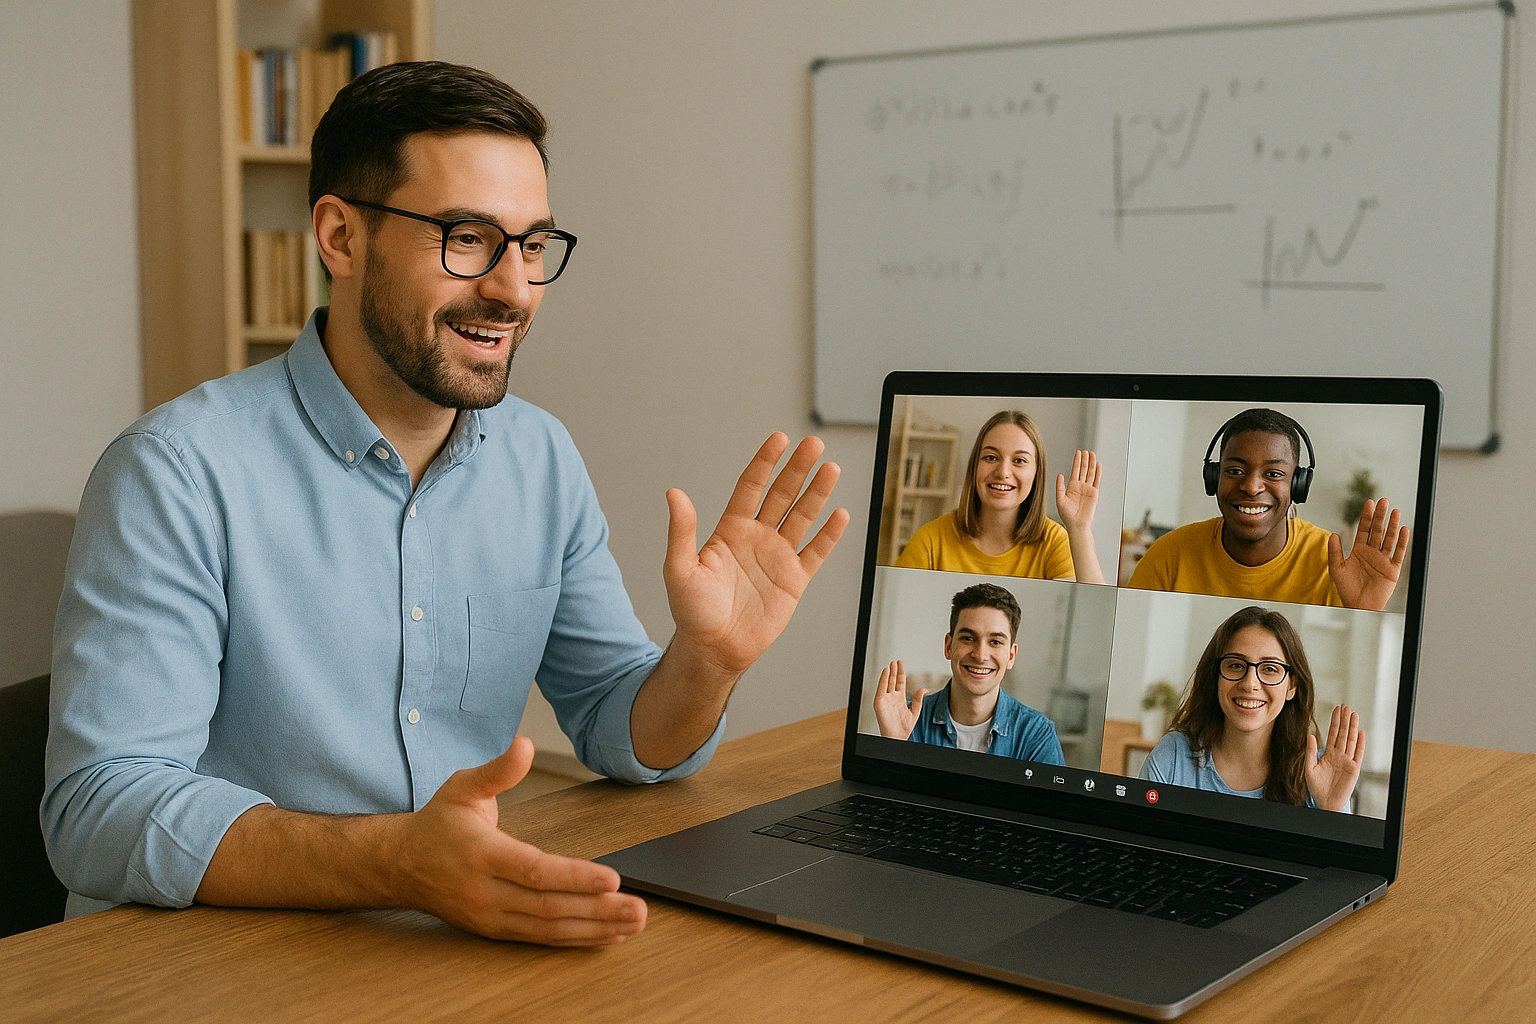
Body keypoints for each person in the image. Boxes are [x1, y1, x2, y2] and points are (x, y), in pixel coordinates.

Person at [42, 62, 849, 948]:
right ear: (340, 238)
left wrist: (706, 660)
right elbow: (101, 809)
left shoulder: (538, 456)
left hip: (448, 946)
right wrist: (398, 862)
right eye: (466, 237)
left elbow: (621, 733)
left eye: (533, 245)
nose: (512, 289)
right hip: (212, 963)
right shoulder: (175, 471)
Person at [1127, 408, 1407, 610]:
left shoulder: (1332, 565)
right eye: (1235, 470)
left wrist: (1364, 613)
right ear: (1214, 477)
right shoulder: (1169, 555)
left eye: (1273, 474)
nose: (1251, 487)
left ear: (1298, 486)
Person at [1139, 606, 1365, 811]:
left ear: (1292, 686)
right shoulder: (1174, 755)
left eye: (1269, 669)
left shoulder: (1318, 772)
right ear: (1216, 676)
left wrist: (1331, 809)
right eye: (1236, 665)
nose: (1250, 683)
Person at [894, 410, 1107, 584]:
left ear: (1036, 473)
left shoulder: (1054, 542)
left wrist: (1080, 529)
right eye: (991, 457)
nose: (1003, 471)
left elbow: (1096, 615)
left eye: (1019, 461)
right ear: (974, 467)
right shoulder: (931, 540)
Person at [871, 583, 1064, 764]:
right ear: (948, 646)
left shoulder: (1036, 733)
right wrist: (893, 745)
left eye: (995, 642)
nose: (980, 655)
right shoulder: (908, 721)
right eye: (968, 638)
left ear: (1011, 656)